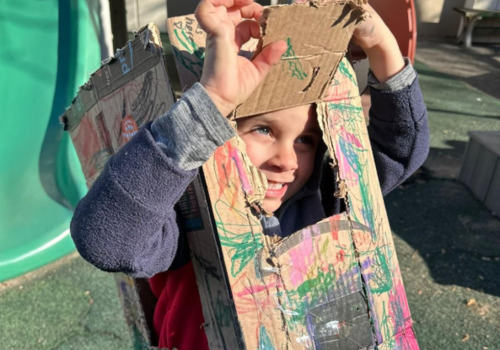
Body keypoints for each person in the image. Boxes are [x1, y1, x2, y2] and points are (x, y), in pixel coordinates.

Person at [70, 0, 429, 349]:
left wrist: (383, 48)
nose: (287, 160)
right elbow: (107, 240)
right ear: (216, 130)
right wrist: (210, 104)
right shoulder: (187, 217)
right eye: (263, 130)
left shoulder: (322, 202)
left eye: (305, 139)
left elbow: (399, 151)